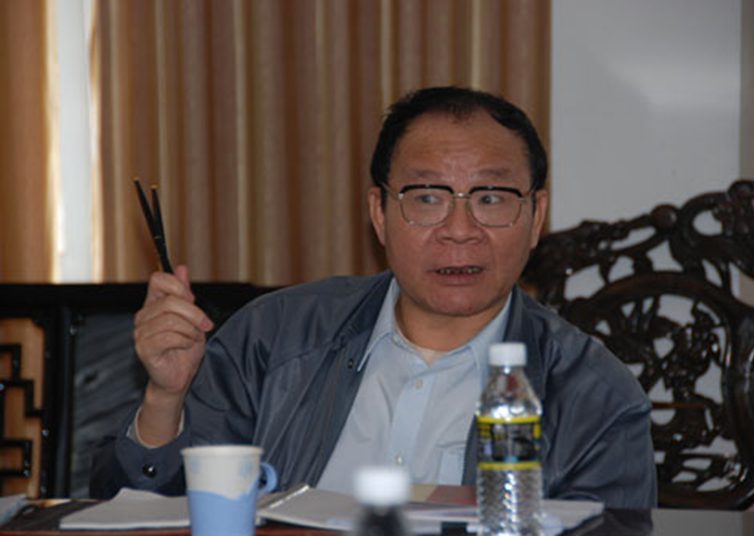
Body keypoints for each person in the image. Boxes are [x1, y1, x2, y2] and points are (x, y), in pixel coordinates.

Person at [90, 86, 657, 508]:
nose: (460, 230)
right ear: (379, 213)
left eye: (491, 198)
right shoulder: (272, 337)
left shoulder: (595, 398)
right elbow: (145, 511)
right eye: (428, 197)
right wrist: (165, 399)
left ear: (536, 217)